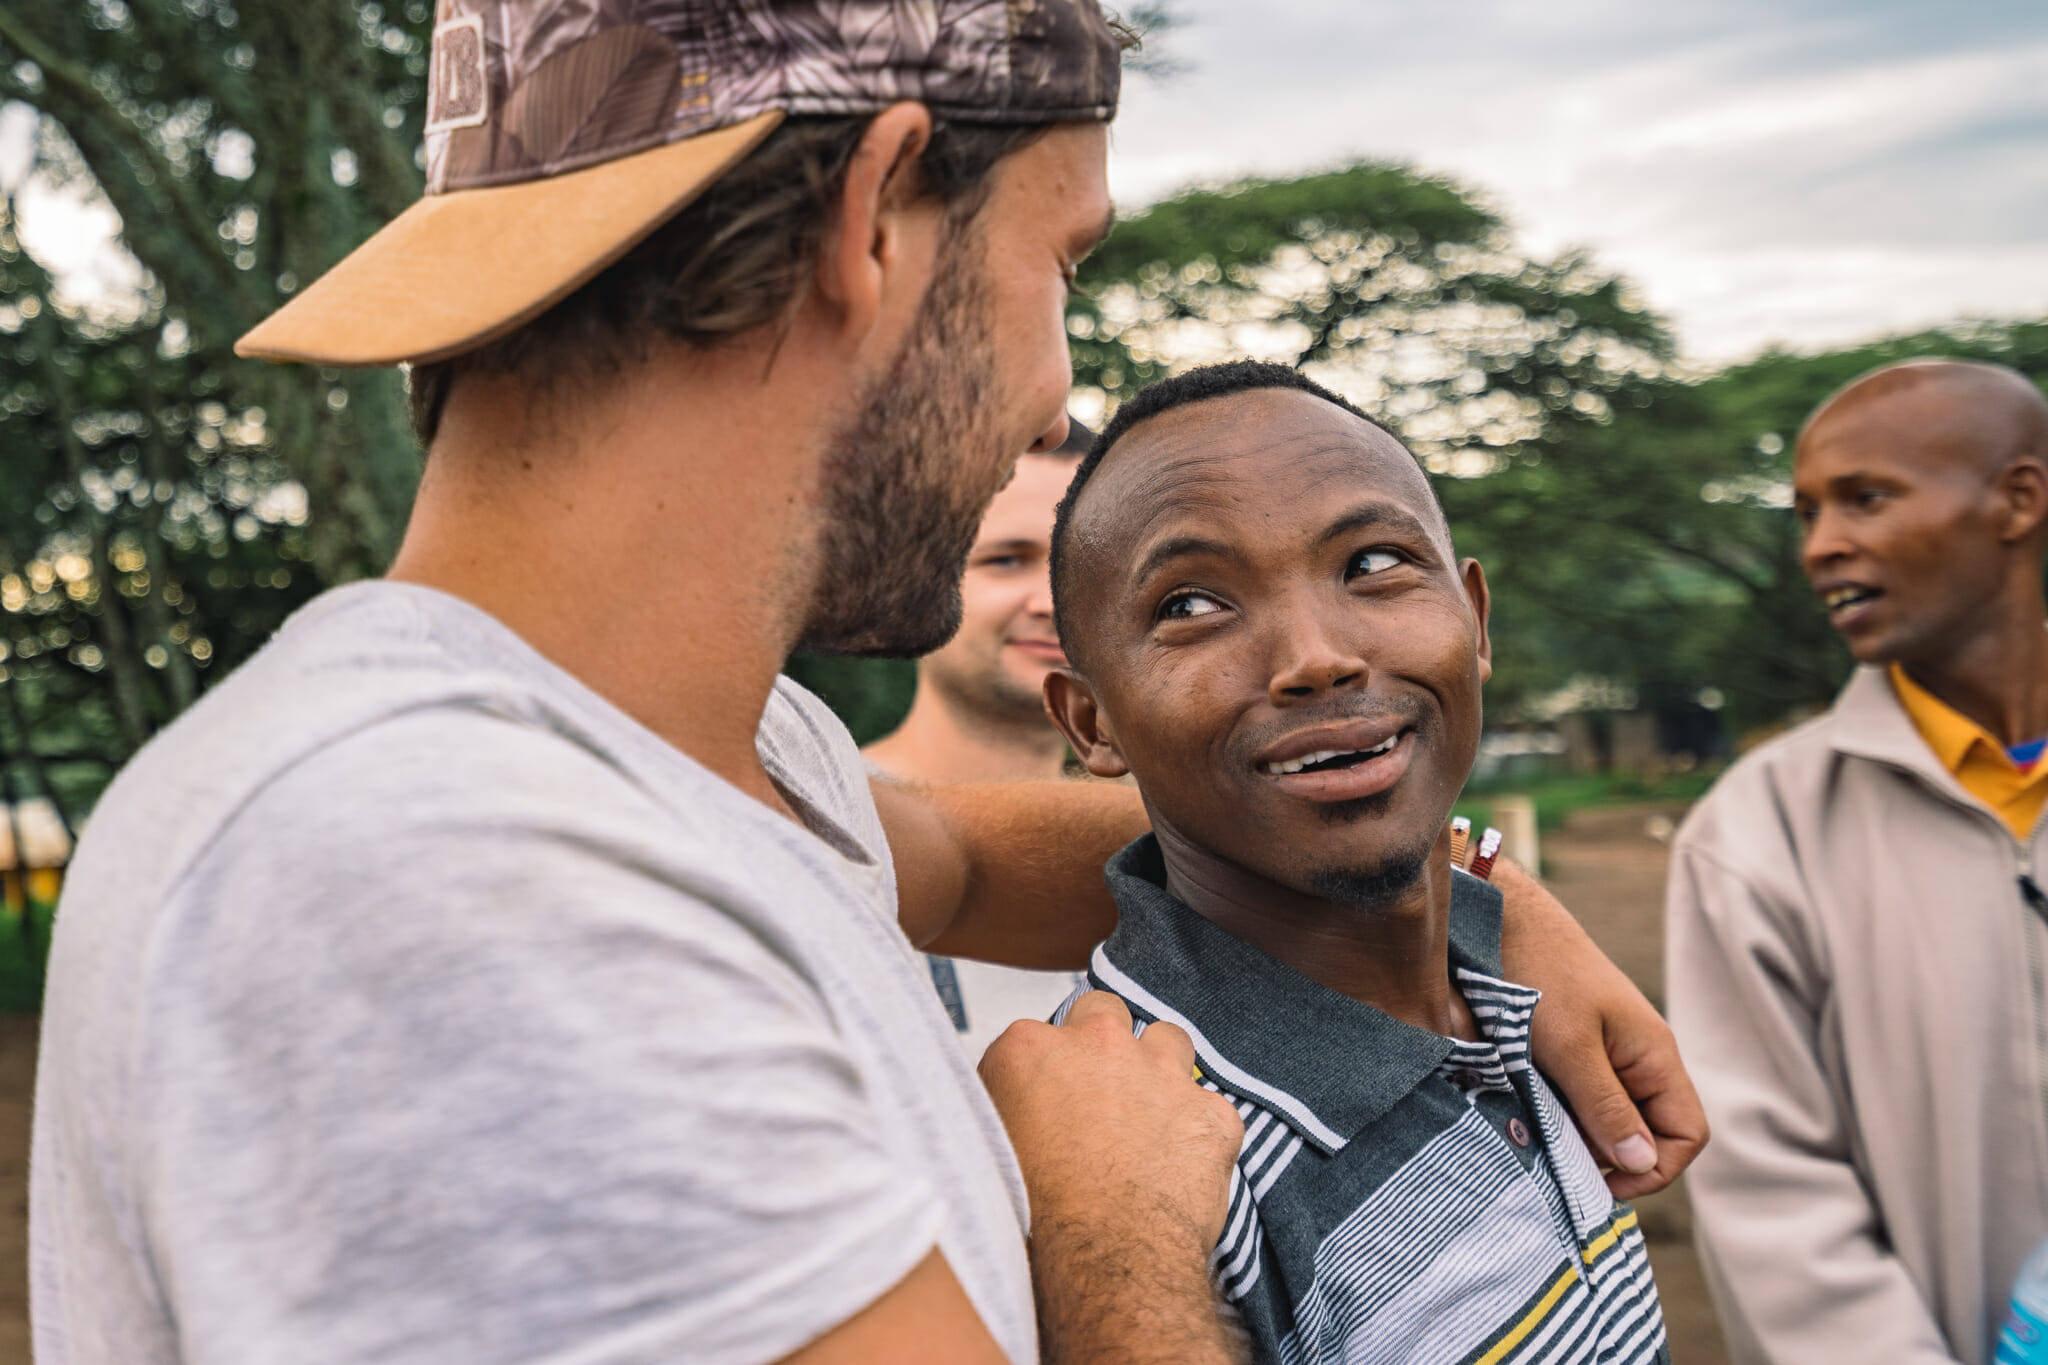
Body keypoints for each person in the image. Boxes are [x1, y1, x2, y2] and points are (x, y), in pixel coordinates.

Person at [33, 4, 1703, 1362]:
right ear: (877, 207)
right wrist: (1108, 1252)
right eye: (1062, 269)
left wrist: (1457, 903)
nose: (1053, 404)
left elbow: (972, 862)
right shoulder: (449, 879)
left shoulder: (699, 754)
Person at [1042, 360, 1670, 1364]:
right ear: (1090, 722)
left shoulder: (1517, 996)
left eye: (1373, 565)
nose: (1315, 656)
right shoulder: (1140, 1167)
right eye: (1192, 603)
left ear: (1474, 621)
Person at [1666, 358, 2048, 1364]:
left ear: (2015, 500)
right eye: (1804, 514)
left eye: (1864, 499)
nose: (1820, 546)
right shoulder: (1753, 834)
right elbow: (1767, 1202)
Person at [866, 424, 1091, 1059]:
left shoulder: (1179, 867)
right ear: (911, 586)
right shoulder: (808, 820)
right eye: (1005, 559)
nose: (1052, 601)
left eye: (1079, 567)